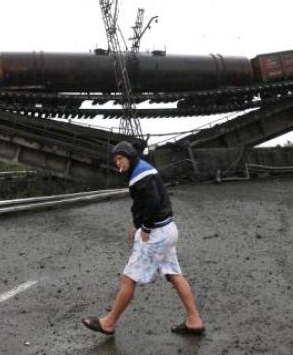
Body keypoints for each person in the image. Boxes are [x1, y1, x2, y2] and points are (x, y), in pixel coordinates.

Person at [82, 141, 205, 336]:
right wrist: (137, 225)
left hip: (156, 233)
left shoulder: (140, 175)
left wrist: (145, 228)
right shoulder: (143, 169)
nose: (118, 164)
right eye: (115, 161)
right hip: (168, 229)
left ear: (129, 156)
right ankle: (194, 320)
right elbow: (143, 204)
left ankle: (109, 322)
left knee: (129, 278)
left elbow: (153, 203)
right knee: (173, 274)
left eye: (120, 159)